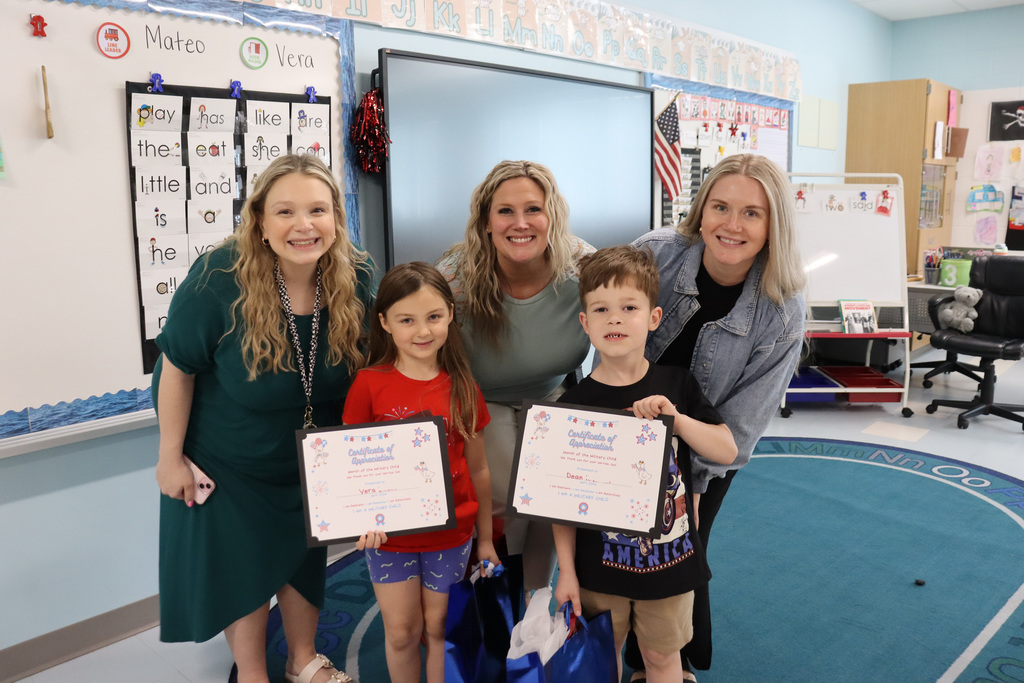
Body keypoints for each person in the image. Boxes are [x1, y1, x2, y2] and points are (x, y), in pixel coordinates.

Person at [153, 154, 374, 683]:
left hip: (308, 457)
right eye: (285, 211)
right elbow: (177, 369)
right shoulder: (218, 279)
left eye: (318, 210)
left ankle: (304, 661)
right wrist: (169, 458)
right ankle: (253, 674)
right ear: (259, 220)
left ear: (337, 218)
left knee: (302, 560)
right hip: (228, 458)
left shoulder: (357, 276)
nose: (304, 225)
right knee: (243, 570)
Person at [628, 153, 807, 679]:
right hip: (632, 427)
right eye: (721, 207)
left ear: (774, 224)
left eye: (752, 213)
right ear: (700, 211)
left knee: (682, 548)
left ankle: (668, 662)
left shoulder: (782, 308)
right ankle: (626, 648)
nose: (732, 225)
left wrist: (698, 484)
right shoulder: (655, 255)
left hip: (707, 442)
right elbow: (596, 306)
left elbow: (743, 423)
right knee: (618, 545)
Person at [552, 245, 737, 683]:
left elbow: (727, 451)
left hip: (671, 563)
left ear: (653, 318)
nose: (614, 318)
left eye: (629, 307)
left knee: (661, 660)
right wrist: (567, 572)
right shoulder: (574, 404)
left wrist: (677, 420)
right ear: (585, 323)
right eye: (601, 309)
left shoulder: (676, 384)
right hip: (599, 565)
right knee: (603, 659)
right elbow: (560, 502)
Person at [436, 160, 595, 592]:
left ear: (552, 216)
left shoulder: (584, 267)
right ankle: (489, 590)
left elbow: (622, 326)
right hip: (479, 400)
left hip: (554, 394)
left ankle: (537, 600)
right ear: (486, 221)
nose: (520, 223)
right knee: (504, 493)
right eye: (505, 211)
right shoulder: (453, 276)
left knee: (554, 496)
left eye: (533, 209)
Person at [342, 262, 500, 683]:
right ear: (384, 323)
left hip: (452, 535)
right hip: (390, 538)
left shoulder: (462, 386)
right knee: (400, 632)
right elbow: (349, 469)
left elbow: (479, 469)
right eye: (407, 320)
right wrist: (359, 518)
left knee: (437, 628)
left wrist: (485, 538)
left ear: (450, 313)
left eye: (433, 317)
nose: (422, 331)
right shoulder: (368, 385)